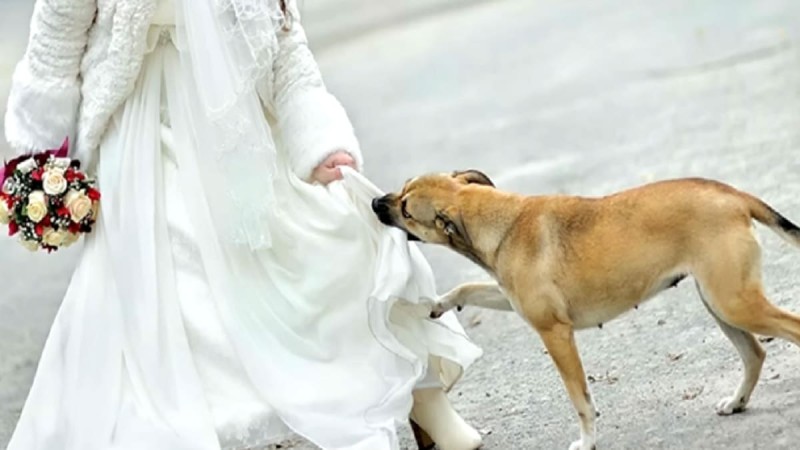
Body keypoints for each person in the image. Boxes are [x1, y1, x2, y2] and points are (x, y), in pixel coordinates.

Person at [3, 0, 484, 449]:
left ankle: (424, 399)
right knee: (172, 278)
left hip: (239, 122)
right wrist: (37, 154)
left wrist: (316, 135)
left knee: (339, 237)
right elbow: (56, 38)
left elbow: (285, 41)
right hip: (141, 128)